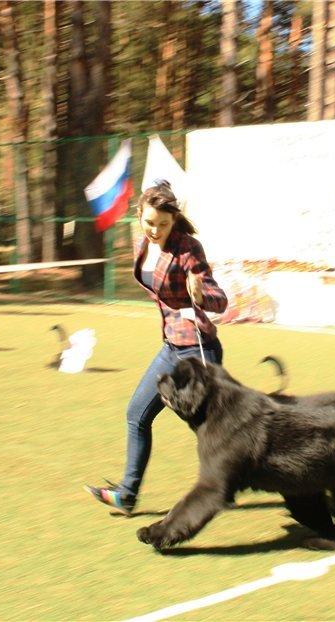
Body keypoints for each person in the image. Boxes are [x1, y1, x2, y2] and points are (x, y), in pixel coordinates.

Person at [85, 180, 228, 515]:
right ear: (139, 216)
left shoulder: (188, 249)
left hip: (197, 352)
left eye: (163, 224)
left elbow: (220, 300)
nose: (155, 230)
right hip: (170, 347)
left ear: (173, 221)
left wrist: (200, 294)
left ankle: (248, 477)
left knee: (214, 429)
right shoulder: (141, 244)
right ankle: (128, 494)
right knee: (137, 414)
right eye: (150, 222)